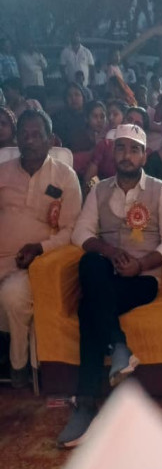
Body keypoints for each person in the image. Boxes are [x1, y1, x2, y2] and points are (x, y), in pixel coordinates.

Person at [59, 124, 162, 447]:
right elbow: (81, 233)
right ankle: (118, 347)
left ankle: (86, 404)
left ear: (144, 155)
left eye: (134, 150)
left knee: (88, 307)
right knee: (90, 262)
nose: (127, 156)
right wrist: (110, 252)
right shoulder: (99, 191)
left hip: (142, 280)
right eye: (121, 148)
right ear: (113, 153)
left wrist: (140, 265)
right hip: (107, 273)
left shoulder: (161, 192)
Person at [0, 110, 81, 388]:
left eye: (37, 135)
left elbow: (71, 229)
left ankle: (18, 364)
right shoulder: (3, 171)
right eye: (24, 134)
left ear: (51, 139)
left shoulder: (65, 177)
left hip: (34, 264)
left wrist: (40, 248)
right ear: (17, 138)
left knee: (13, 296)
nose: (30, 140)